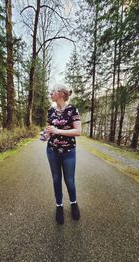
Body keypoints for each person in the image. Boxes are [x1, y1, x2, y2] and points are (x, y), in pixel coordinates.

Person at [45, 84, 81, 225]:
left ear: (60, 94)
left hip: (68, 152)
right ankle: (59, 206)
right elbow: (49, 129)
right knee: (56, 179)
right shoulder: (50, 111)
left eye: (52, 92)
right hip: (52, 150)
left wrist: (58, 131)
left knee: (69, 180)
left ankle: (73, 203)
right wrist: (46, 134)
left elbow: (78, 131)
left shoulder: (72, 109)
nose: (50, 94)